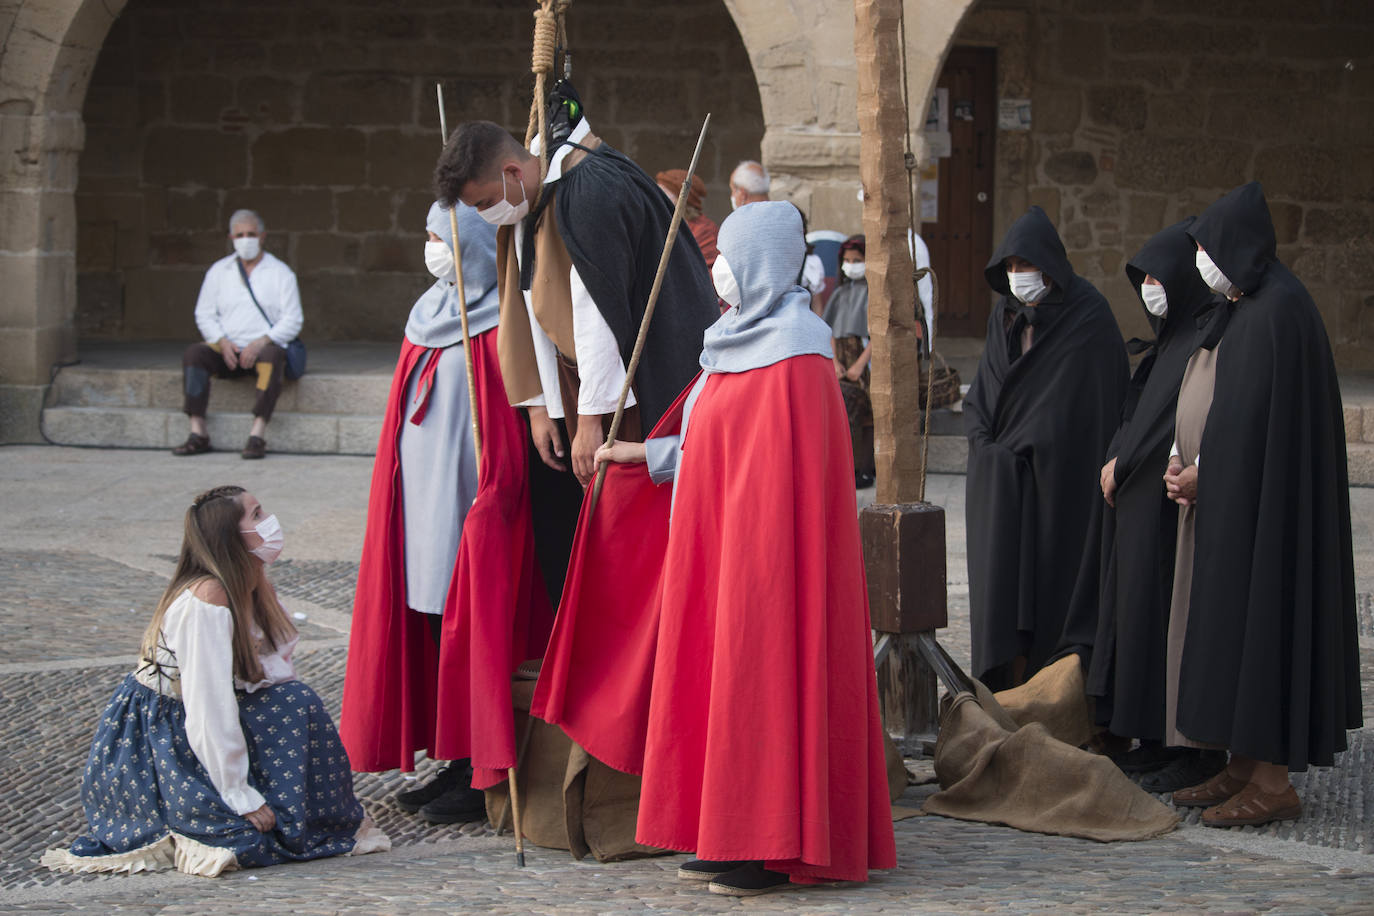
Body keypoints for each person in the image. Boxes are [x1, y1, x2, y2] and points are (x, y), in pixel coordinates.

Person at [536, 202, 896, 896]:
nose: (717, 270)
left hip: (769, 560)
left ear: (761, 259)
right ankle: (729, 829)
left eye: (728, 256)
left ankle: (771, 840)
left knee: (763, 683)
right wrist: (647, 452)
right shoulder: (732, 338)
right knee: (719, 683)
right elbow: (714, 440)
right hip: (720, 546)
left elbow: (775, 471)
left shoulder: (799, 353)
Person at [42, 486, 388, 878]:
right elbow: (207, 705)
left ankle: (296, 806)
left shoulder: (251, 582)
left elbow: (271, 667)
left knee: (296, 701)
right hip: (162, 728)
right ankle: (242, 799)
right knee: (239, 838)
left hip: (204, 708)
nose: (268, 522)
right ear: (231, 537)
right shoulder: (207, 599)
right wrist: (239, 794)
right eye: (256, 515)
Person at [340, 202, 554, 822]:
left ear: (474, 246)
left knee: (472, 635)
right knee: (434, 629)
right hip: (419, 507)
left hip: (470, 504)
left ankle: (476, 768)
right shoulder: (428, 313)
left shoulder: (503, 321)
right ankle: (452, 758)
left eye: (439, 237)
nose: (429, 247)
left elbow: (513, 416)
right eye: (428, 234)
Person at [1160, 183, 1362, 827]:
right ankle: (1244, 764)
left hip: (1269, 516)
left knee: (1261, 631)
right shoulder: (1247, 305)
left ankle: (1273, 782)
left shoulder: (1281, 311)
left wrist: (1206, 472)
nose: (1199, 262)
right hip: (1233, 509)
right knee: (1229, 630)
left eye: (1205, 249)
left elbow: (1266, 427)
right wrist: (1184, 457)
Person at [433, 96, 718, 493]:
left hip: (635, 381)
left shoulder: (588, 189)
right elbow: (527, 302)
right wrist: (539, 406)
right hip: (579, 381)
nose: (485, 214)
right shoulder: (527, 200)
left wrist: (591, 419)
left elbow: (596, 311)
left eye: (484, 202)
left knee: (629, 504)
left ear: (512, 172)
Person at [963, 206, 1128, 690]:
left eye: (1026, 266)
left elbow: (1082, 404)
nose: (1018, 277)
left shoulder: (1088, 316)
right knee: (1004, 590)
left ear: (1050, 266)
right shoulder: (1006, 316)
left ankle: (1053, 696)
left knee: (1050, 591)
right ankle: (1007, 693)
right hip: (1003, 482)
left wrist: (1030, 445)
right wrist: (986, 446)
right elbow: (987, 391)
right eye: (1010, 268)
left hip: (1062, 483)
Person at [1086, 219, 1221, 792]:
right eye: (1142, 278)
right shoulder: (1167, 343)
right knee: (1140, 620)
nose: (1150, 288)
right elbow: (1135, 412)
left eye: (1158, 277)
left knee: (1171, 622)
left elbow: (1175, 421)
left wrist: (1127, 461)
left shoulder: (1200, 339)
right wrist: (1117, 455)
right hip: (1139, 512)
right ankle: (1147, 735)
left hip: (1170, 514)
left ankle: (1183, 746)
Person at [174, 210, 303, 460]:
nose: (246, 239)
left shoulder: (280, 273)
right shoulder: (218, 271)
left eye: (251, 234)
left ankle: (257, 434)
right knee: (194, 355)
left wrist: (261, 341)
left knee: (273, 356)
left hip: (261, 350)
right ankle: (197, 431)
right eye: (240, 234)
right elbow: (204, 313)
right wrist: (221, 341)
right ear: (231, 237)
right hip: (228, 350)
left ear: (263, 236)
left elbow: (293, 319)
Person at [822, 235, 874, 487]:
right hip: (839, 363)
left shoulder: (875, 294)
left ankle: (856, 469)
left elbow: (878, 337)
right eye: (847, 260)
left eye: (857, 260)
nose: (851, 265)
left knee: (848, 400)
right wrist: (834, 362)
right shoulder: (841, 293)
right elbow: (829, 329)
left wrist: (859, 366)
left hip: (864, 368)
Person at [656, 168, 718, 268]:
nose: (658, 198)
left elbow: (703, 274)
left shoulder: (705, 231)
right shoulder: (660, 222)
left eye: (664, 194)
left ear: (682, 199)